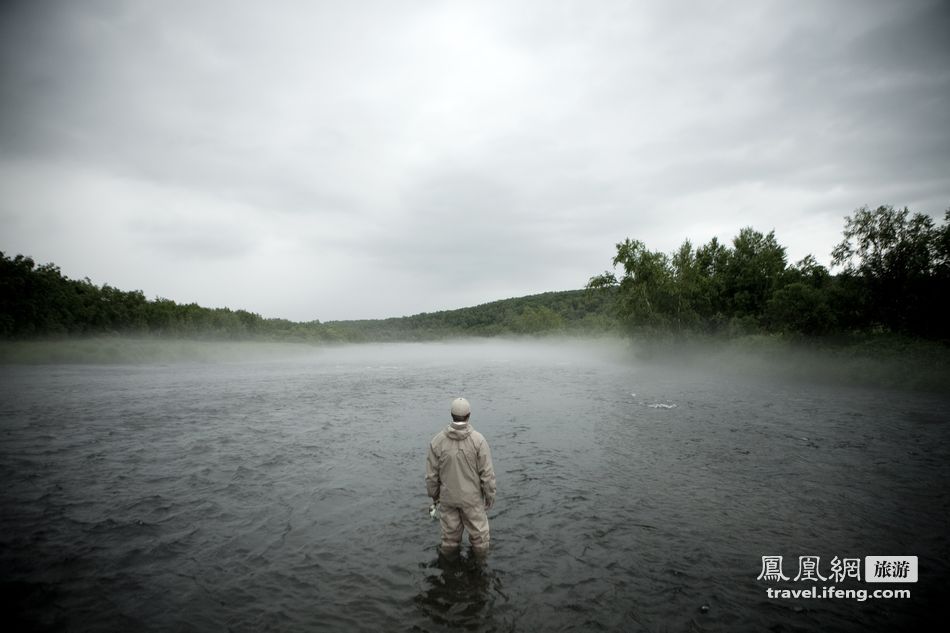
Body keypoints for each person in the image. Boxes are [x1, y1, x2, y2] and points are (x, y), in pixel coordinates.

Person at [426, 397, 496, 555]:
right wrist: (490, 496)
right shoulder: (478, 440)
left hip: (448, 499)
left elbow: (431, 476)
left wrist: (435, 497)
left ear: (451, 415)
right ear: (469, 415)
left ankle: (449, 571)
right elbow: (487, 475)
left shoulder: (437, 441)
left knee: (449, 540)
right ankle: (479, 572)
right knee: (480, 540)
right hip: (472, 500)